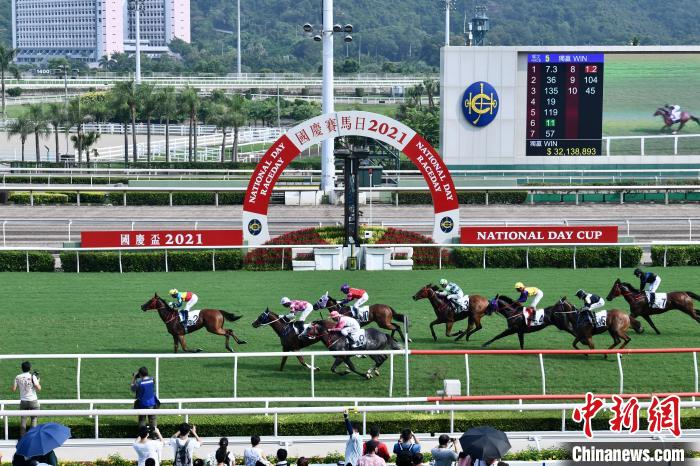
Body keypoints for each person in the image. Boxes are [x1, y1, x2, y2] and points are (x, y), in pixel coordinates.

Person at [11, 361, 41, 437]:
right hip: (33, 401)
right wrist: (38, 381)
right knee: (34, 419)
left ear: (22, 368)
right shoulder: (33, 377)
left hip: (23, 401)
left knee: (23, 420)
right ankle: (32, 437)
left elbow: (13, 389)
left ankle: (22, 438)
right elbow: (39, 388)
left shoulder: (17, 377)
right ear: (30, 368)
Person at [131, 366, 158, 431]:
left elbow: (132, 388)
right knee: (152, 420)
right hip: (152, 403)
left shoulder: (139, 383)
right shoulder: (152, 379)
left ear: (140, 374)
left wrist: (134, 377)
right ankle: (154, 435)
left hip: (142, 404)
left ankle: (142, 436)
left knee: (142, 420)